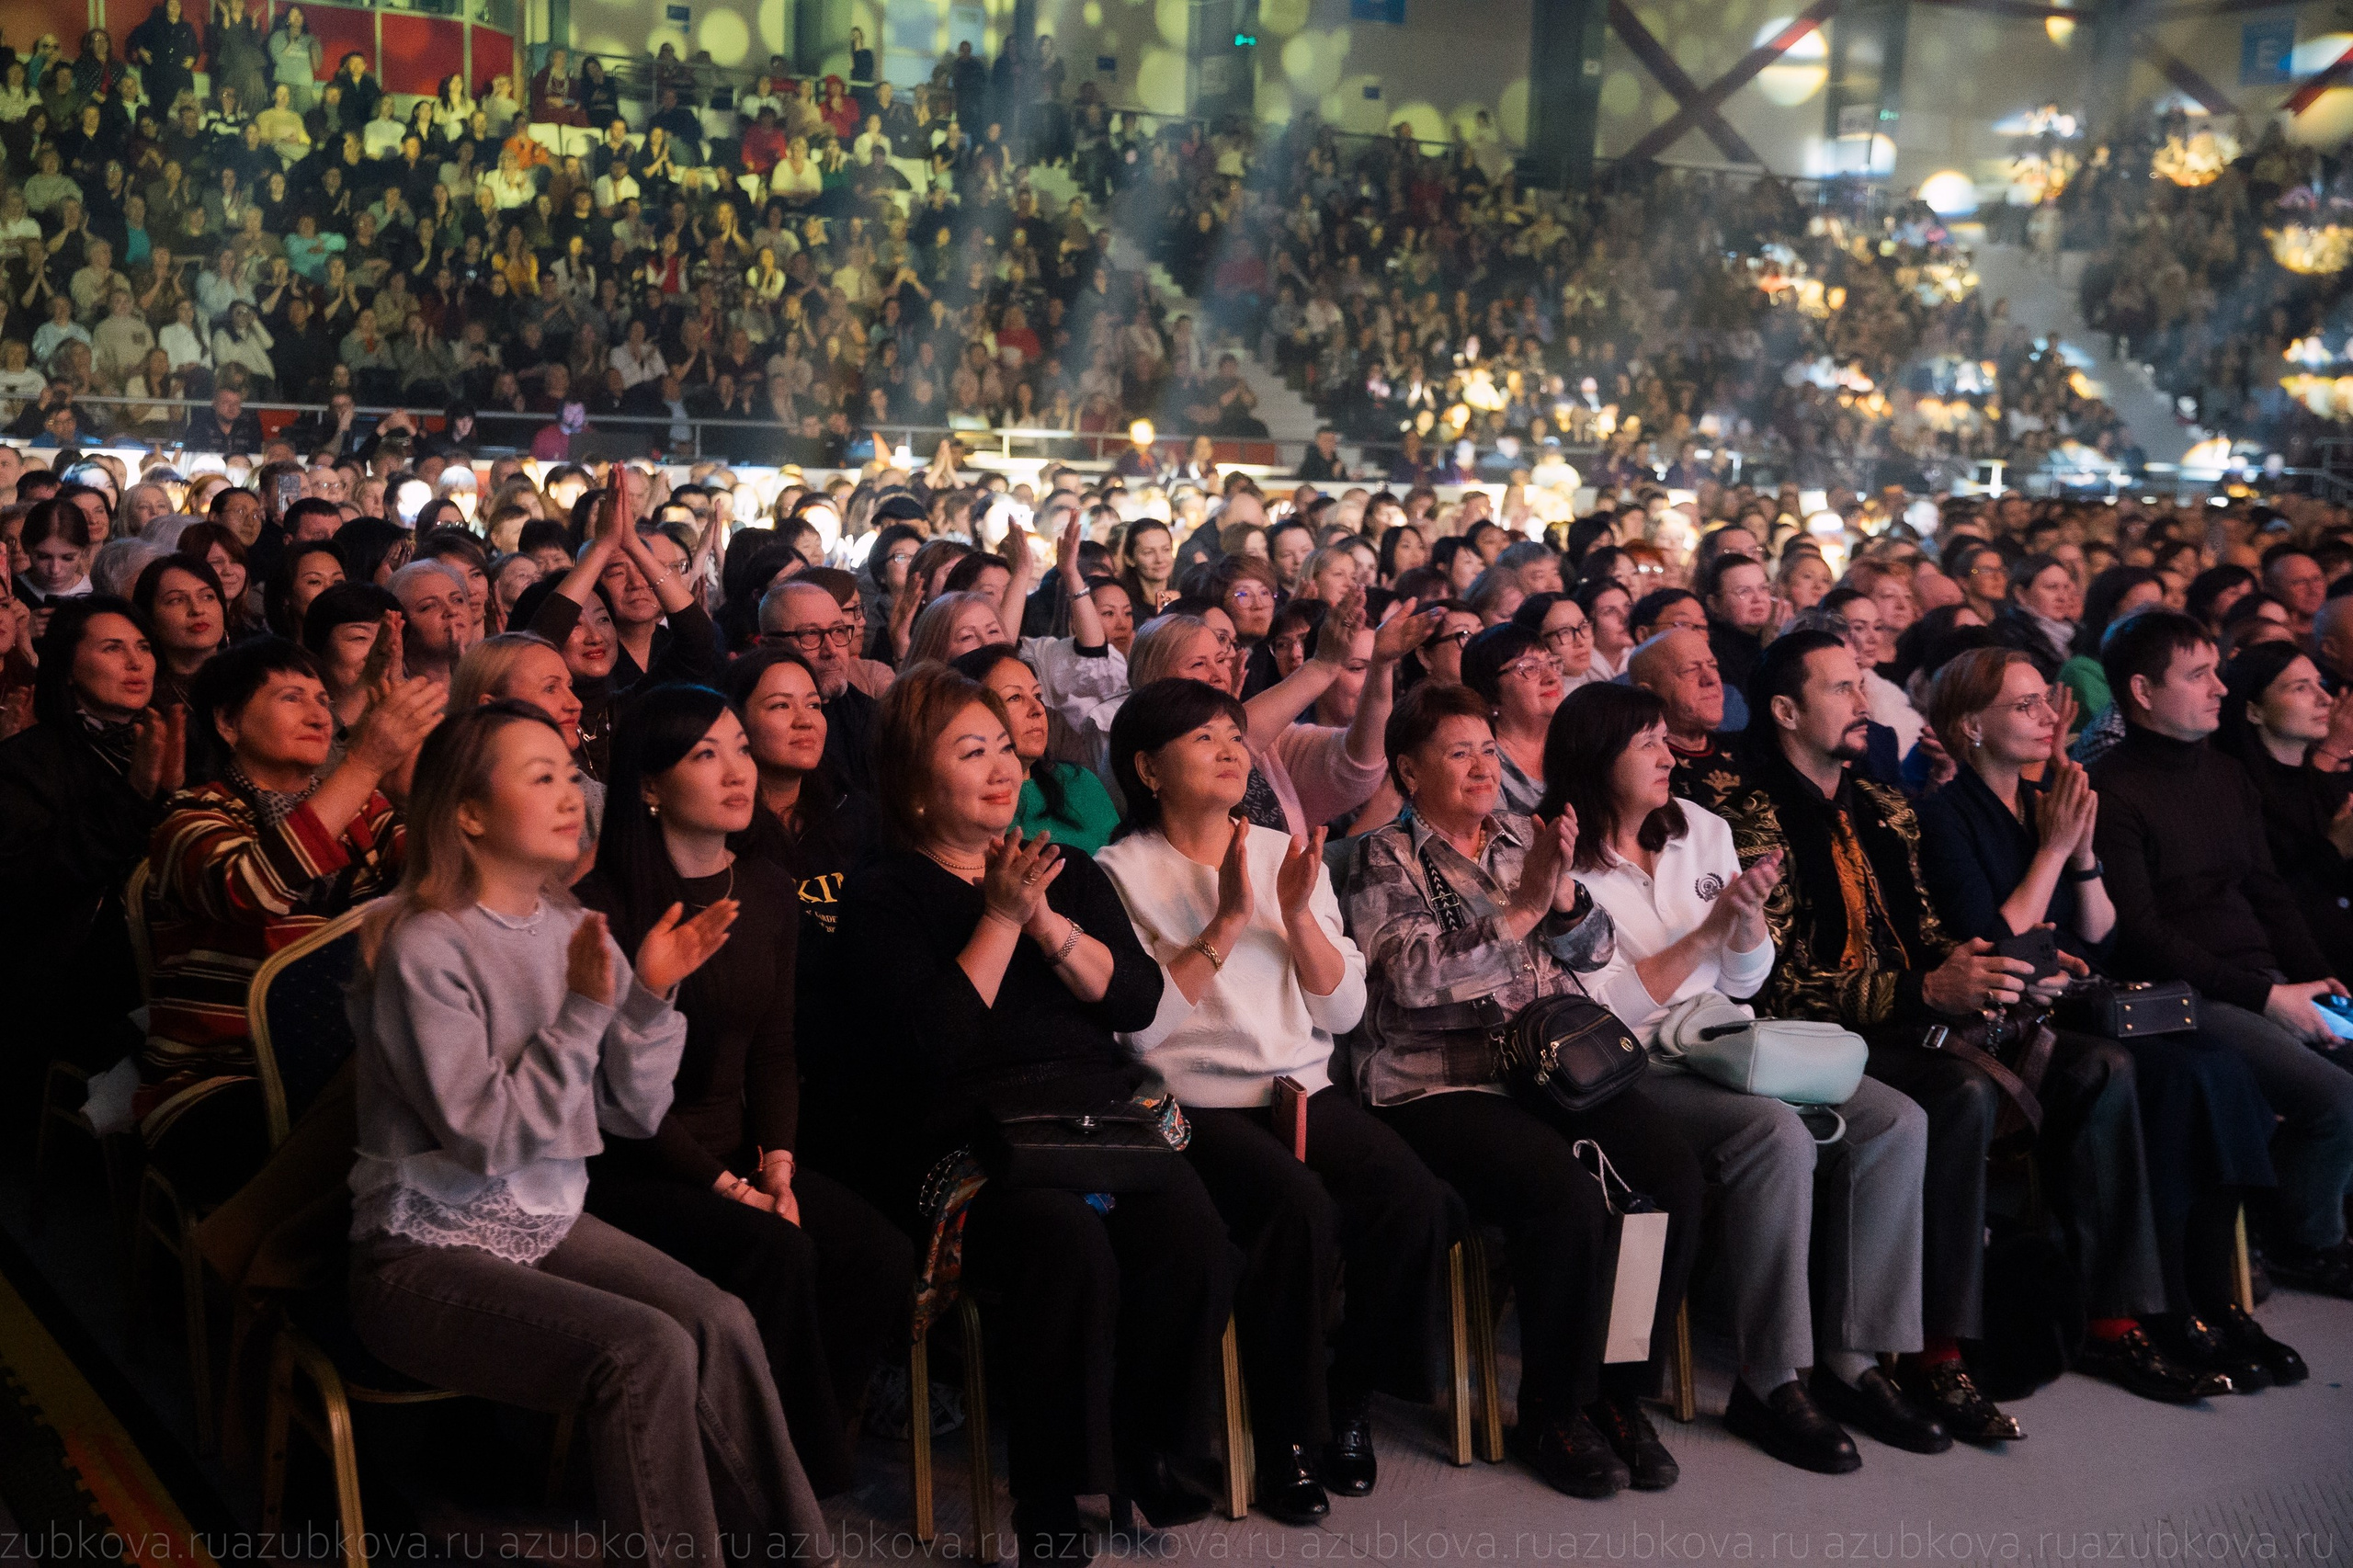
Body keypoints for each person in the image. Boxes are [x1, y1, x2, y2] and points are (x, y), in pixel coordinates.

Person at [347, 700, 829, 1568]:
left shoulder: (572, 927)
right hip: (421, 1254)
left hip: (543, 1224)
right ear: (469, 812)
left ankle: (800, 1557)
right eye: (542, 778)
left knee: (719, 1319)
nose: (573, 795)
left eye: (572, 775)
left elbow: (629, 1112)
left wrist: (648, 996)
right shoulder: (424, 944)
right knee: (646, 1351)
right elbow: (489, 1139)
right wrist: (585, 1009)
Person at [825, 664, 1235, 1562]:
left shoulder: (1069, 872)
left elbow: (1134, 1001)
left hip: (1090, 1120)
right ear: (914, 783)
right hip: (969, 1141)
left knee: (1192, 1233)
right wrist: (1002, 917)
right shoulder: (884, 895)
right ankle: (1050, 1495)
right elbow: (932, 1044)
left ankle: (1148, 1453)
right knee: (1066, 1245)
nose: (1002, 766)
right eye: (971, 751)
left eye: (1004, 748)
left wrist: (1045, 919)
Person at [1552, 681, 1947, 1471]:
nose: (1670, 756)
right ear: (1596, 760)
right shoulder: (1563, 862)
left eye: (1665, 739)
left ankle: (1853, 1359)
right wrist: (1706, 936)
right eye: (1646, 744)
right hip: (1638, 1065)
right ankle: (1770, 1380)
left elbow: (1745, 981)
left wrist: (1742, 926)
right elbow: (1604, 1010)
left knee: (1897, 1121)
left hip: (1728, 1039)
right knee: (1775, 1134)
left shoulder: (1700, 828)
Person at [1097, 677, 1452, 1518]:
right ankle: (1287, 1436)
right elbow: (1137, 1033)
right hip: (1192, 1104)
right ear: (1147, 769)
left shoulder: (1282, 849)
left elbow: (1344, 1011)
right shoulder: (1118, 873)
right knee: (1298, 1210)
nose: (1231, 750)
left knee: (1416, 1202)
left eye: (1234, 735)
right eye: (1204, 739)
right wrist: (1225, 921)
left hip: (1299, 1085)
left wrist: (1296, 918)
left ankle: (1348, 1400)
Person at [1340, 679, 1703, 1499]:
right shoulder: (1380, 858)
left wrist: (1564, 897)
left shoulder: (1520, 835)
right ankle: (1552, 1411)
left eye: (1487, 750)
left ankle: (1617, 1394)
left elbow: (1596, 950)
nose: (1482, 767)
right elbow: (1410, 979)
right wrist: (1522, 909)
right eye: (1458, 753)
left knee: (1670, 1175)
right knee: (1563, 1194)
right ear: (1409, 771)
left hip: (1555, 1067)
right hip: (1437, 1083)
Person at [1677, 631, 2041, 1439]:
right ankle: (1929, 1352)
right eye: (1841, 689)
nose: (1864, 703)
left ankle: (1895, 1350)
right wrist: (1923, 989)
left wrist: (1980, 967)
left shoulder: (1883, 804)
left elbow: (1923, 930)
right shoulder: (1745, 813)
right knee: (1957, 1093)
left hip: (1902, 1020)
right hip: (1805, 1036)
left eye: (1862, 685)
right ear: (1784, 711)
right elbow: (1775, 981)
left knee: (2090, 1063)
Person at [1915, 646, 2302, 1393]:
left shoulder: (2045, 803)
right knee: (2165, 1078)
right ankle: (2141, 1312)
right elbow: (1993, 943)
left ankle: (2209, 1294)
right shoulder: (1945, 816)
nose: (2047, 716)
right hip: (2009, 1020)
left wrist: (2083, 856)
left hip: (2075, 1001)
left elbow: (2100, 936)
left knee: (2219, 1066)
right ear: (1971, 727)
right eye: (2024, 705)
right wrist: (2056, 850)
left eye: (2045, 700)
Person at [576, 683, 915, 1501]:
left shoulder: (764, 886)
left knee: (878, 1253)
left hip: (737, 1147)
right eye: (705, 755)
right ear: (649, 785)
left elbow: (774, 1048)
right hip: (629, 1162)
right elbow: (611, 1093)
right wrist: (728, 1187)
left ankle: (784, 1453)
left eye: (738, 748)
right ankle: (783, 1482)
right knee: (775, 1249)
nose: (737, 772)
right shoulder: (602, 907)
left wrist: (779, 1167)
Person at [2087, 609, 2353, 1298]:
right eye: (2199, 675)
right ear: (2143, 691)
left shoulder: (2226, 774)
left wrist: (2317, 978)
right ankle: (2307, 1242)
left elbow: (2267, 891)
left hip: (2261, 978)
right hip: (2184, 994)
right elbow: (2142, 934)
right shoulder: (2112, 789)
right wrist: (2269, 998)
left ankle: (2291, 1213)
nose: (2221, 689)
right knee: (2335, 1099)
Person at [138, 636, 441, 1203]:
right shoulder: (190, 817)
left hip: (352, 1058)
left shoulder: (364, 809)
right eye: (290, 697)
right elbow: (251, 889)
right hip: (223, 1073)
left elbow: (443, 888)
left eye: (323, 699)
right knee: (379, 1156)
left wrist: (410, 797)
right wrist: (365, 763)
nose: (318, 714)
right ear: (228, 723)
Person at [0, 597, 181, 1108]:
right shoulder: (27, 762)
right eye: (112, 648)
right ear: (68, 669)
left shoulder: (180, 740)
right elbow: (34, 880)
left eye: (143, 647)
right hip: (77, 977)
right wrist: (135, 797)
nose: (135, 662)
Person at [2214, 642, 2353, 971]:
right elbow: (2272, 905)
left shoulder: (2323, 784)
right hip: (2302, 970)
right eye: (2300, 688)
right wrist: (2335, 849)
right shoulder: (2237, 795)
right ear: (2254, 711)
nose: (2325, 698)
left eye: (2320, 684)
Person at [952, 643, 1120, 855]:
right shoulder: (969, 804)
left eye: (1038, 696)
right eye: (1015, 697)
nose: (1038, 709)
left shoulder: (1079, 782)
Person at [1461, 622, 1563, 814]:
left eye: (1551, 663)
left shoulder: (1575, 739)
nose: (1552, 677)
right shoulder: (1483, 764)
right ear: (1490, 692)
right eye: (1530, 668)